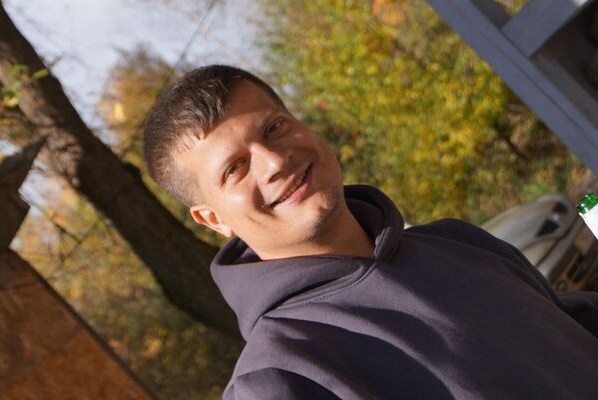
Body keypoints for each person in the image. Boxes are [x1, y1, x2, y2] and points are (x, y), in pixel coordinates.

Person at [143, 65, 598, 399]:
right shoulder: (279, 379)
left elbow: (574, 333)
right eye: (236, 168)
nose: (275, 161)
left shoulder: (457, 241)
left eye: (275, 127)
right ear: (213, 219)